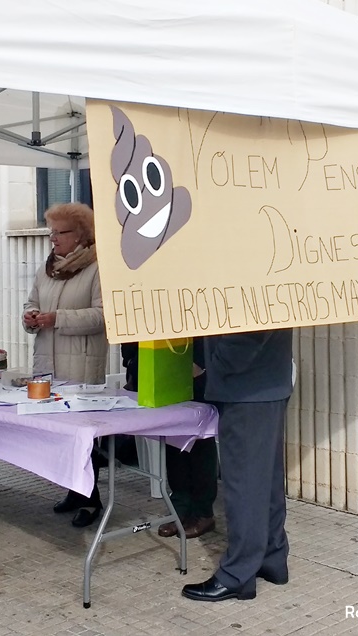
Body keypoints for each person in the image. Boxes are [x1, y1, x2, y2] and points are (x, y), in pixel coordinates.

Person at [181, 329, 294, 603]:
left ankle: (237, 575)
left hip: (246, 386)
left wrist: (216, 366)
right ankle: (271, 557)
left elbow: (249, 330)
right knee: (266, 480)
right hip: (267, 383)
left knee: (244, 483)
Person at [22, 202, 109, 527]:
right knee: (60, 435)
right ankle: (75, 491)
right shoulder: (47, 267)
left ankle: (92, 500)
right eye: (51, 232)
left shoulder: (97, 268)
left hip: (81, 366)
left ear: (81, 234)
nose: (53, 239)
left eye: (60, 233)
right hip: (47, 363)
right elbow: (32, 301)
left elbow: (103, 316)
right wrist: (30, 317)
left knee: (82, 436)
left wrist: (57, 319)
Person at [121, 340, 218, 540]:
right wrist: (131, 359)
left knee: (199, 437)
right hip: (164, 356)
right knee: (174, 436)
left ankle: (203, 511)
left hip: (197, 360)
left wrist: (202, 362)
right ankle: (180, 507)